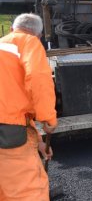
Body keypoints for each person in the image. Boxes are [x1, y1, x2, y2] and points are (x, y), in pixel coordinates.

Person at [0, 13, 57, 200]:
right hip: (8, 135)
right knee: (27, 192)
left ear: (11, 29)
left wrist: (39, 142)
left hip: (9, 130)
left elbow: (9, 102)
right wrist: (48, 118)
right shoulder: (29, 43)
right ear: (38, 36)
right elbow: (38, 79)